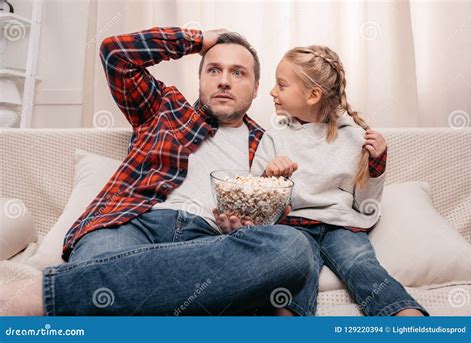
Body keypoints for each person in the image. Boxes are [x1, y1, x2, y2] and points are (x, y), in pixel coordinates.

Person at [0, 27, 314, 316]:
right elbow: (115, 53)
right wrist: (197, 40)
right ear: (200, 77)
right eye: (214, 69)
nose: (224, 80)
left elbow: (272, 221)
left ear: (256, 87)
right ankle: (47, 296)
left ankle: (63, 294)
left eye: (238, 72)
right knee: (99, 272)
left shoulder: (267, 144)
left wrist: (253, 222)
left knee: (293, 247)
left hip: (208, 244)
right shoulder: (162, 107)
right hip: (128, 227)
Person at [246, 45, 429, 316]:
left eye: (281, 85)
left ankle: (404, 316)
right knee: (296, 271)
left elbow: (366, 203)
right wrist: (269, 178)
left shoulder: (355, 137)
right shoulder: (274, 137)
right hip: (294, 228)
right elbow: (255, 205)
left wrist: (377, 163)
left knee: (361, 264)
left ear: (313, 95)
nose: (272, 92)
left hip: (341, 226)